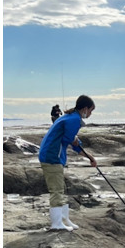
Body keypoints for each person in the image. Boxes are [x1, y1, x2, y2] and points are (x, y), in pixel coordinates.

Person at [39, 95, 97, 231]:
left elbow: (74, 142)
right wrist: (75, 141)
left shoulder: (70, 117)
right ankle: (56, 223)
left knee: (61, 188)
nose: (90, 114)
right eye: (90, 110)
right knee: (57, 190)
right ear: (84, 108)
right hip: (52, 156)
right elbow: (70, 139)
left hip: (54, 156)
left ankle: (64, 219)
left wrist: (89, 157)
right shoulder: (74, 119)